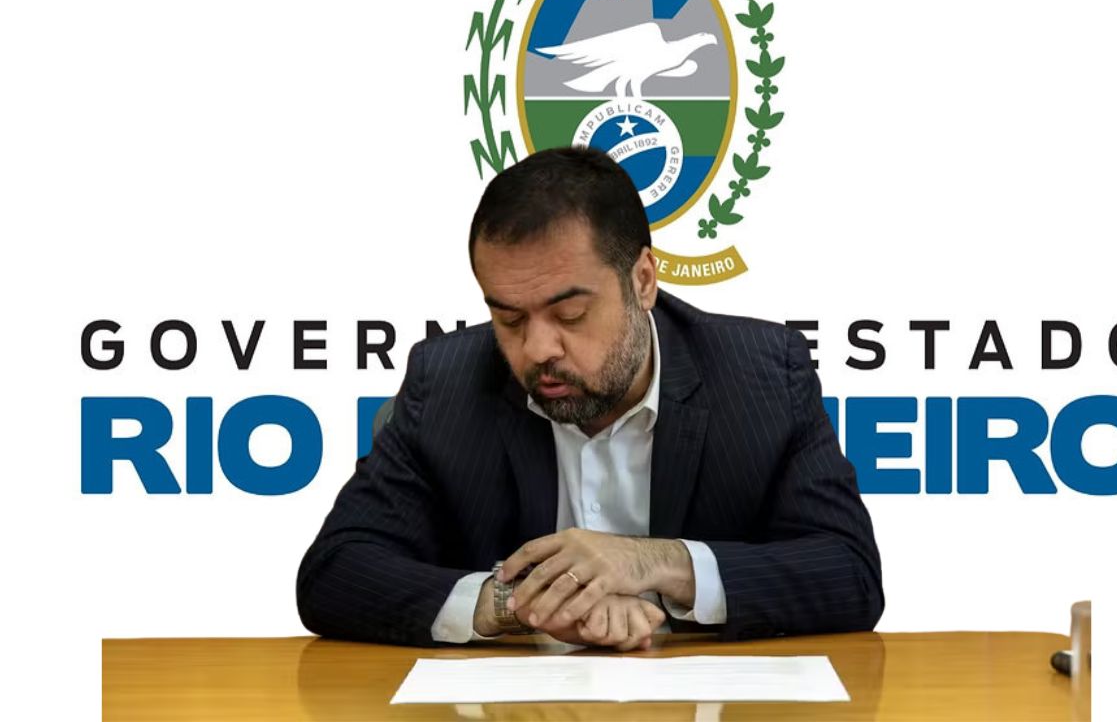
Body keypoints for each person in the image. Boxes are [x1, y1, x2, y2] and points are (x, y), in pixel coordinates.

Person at [297, 146, 883, 650]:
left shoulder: (763, 375)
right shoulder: (445, 382)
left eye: (570, 314)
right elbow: (336, 571)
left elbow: (850, 572)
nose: (537, 348)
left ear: (643, 281)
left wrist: (655, 562)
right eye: (509, 319)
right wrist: (514, 601)